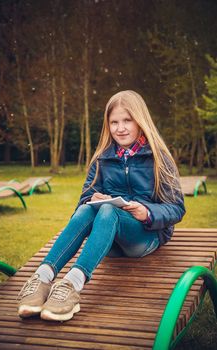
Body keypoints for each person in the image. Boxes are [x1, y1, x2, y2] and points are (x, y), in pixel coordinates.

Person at [17, 90, 185, 322]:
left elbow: (177, 208)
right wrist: (92, 199)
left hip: (145, 236)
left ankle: (72, 284)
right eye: (114, 122)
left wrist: (146, 212)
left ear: (140, 120)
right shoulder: (102, 159)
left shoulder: (159, 158)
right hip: (108, 242)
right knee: (89, 209)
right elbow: (83, 203)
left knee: (108, 210)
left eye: (127, 120)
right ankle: (42, 278)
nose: (120, 128)